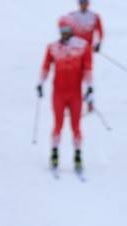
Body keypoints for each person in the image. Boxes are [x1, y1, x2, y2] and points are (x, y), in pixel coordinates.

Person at [38, 17, 93, 173]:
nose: (65, 33)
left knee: (76, 126)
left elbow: (87, 68)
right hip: (59, 93)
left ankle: (77, 155)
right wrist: (40, 83)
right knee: (58, 124)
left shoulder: (82, 47)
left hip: (75, 93)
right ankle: (54, 153)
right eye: (62, 30)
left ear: (72, 30)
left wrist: (89, 87)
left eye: (67, 30)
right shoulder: (53, 47)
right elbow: (45, 66)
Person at [68, 0, 103, 111]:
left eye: (85, 2)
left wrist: (97, 44)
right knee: (73, 76)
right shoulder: (72, 16)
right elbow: (67, 31)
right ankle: (72, 102)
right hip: (75, 51)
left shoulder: (94, 16)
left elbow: (100, 32)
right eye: (82, 2)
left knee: (87, 74)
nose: (84, 4)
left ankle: (90, 100)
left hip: (87, 51)